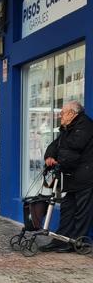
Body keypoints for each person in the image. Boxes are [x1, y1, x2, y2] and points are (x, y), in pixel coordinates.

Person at [40, 101, 93, 253]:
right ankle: (59, 239)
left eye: (63, 113)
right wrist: (50, 155)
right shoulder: (68, 128)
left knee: (82, 211)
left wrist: (58, 160)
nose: (60, 115)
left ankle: (76, 243)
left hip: (85, 177)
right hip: (72, 176)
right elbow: (56, 145)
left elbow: (72, 149)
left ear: (72, 113)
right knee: (67, 208)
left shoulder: (85, 126)